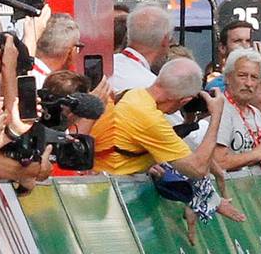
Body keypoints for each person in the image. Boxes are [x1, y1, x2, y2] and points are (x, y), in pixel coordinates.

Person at [93, 57, 246, 225]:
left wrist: (188, 122)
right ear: (185, 101)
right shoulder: (148, 117)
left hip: (106, 196)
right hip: (106, 204)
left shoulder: (135, 96)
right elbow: (197, 168)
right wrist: (216, 115)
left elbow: (185, 154)